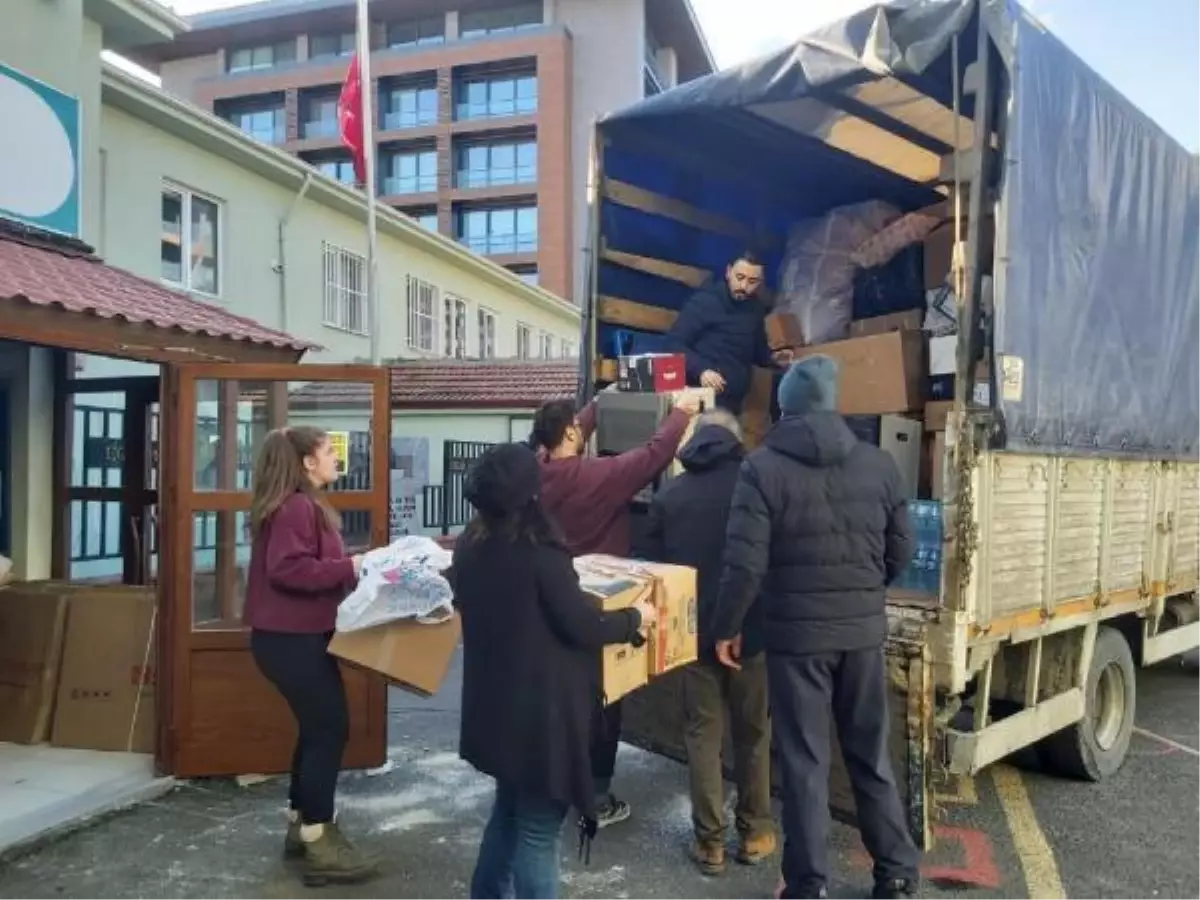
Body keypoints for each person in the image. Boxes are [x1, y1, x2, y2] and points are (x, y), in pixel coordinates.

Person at [710, 356, 921, 900]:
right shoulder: (879, 466)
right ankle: (896, 874)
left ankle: (807, 885)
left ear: (786, 408)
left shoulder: (761, 469)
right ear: (832, 405)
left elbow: (744, 565)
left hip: (795, 642)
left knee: (805, 763)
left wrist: (727, 626)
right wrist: (864, 593)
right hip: (860, 637)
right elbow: (903, 550)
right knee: (869, 755)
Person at [450, 442, 658, 900]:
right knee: (538, 834)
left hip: (496, 707)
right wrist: (635, 620)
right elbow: (582, 627)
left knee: (508, 811)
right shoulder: (540, 553)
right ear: (530, 495)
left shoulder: (471, 543)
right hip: (540, 718)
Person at [533, 390, 702, 828]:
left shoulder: (535, 472)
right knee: (603, 704)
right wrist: (681, 414)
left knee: (561, 701)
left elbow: (570, 432)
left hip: (551, 603)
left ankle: (558, 783)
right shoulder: (597, 477)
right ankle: (597, 796)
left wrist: (597, 404)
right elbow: (652, 456)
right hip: (601, 603)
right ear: (569, 432)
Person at [639, 410, 774, 876]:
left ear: (696, 443)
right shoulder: (755, 486)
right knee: (754, 733)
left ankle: (710, 843)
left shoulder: (671, 494)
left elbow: (651, 569)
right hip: (750, 635)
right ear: (737, 442)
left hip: (691, 637)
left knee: (703, 736)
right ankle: (755, 832)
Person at [243, 426, 376, 888]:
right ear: (306, 462)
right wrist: (353, 567)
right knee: (330, 729)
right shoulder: (297, 507)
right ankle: (318, 836)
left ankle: (302, 828)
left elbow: (308, 563)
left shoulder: (297, 505)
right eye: (327, 451)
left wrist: (360, 564)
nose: (335, 457)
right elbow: (289, 569)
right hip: (290, 639)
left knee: (318, 729)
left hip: (292, 637)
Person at [666, 249, 792, 415]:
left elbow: (757, 351)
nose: (744, 287)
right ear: (728, 272)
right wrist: (702, 370)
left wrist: (774, 359)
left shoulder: (755, 309)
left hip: (732, 405)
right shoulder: (705, 302)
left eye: (752, 281)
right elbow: (673, 344)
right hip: (698, 399)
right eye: (740, 278)